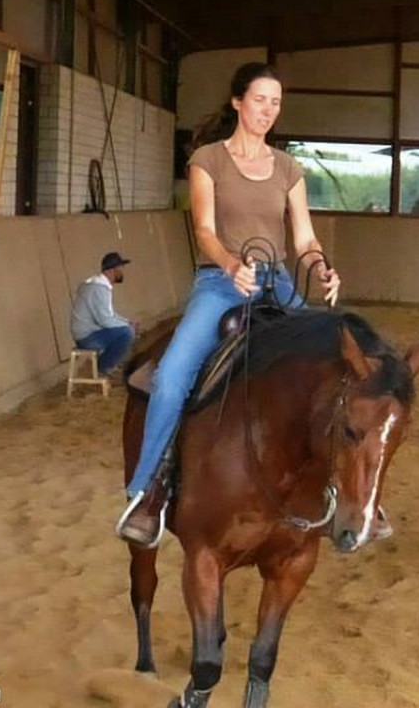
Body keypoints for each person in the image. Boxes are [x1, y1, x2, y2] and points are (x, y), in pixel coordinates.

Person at [116, 63, 342, 546]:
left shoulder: (288, 169)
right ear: (238, 102)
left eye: (275, 102)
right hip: (220, 283)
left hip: (277, 281)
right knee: (173, 374)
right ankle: (147, 492)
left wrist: (322, 266)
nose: (268, 110)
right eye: (260, 100)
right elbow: (203, 230)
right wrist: (230, 264)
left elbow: (304, 238)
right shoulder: (208, 160)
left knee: (330, 366)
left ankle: (338, 491)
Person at [71, 252, 136, 376]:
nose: (122, 272)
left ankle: (108, 365)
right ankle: (103, 368)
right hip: (88, 338)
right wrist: (127, 326)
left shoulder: (97, 285)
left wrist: (127, 321)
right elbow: (105, 320)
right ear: (111, 271)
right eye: (120, 269)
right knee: (127, 333)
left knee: (126, 329)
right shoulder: (99, 288)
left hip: (84, 333)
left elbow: (110, 314)